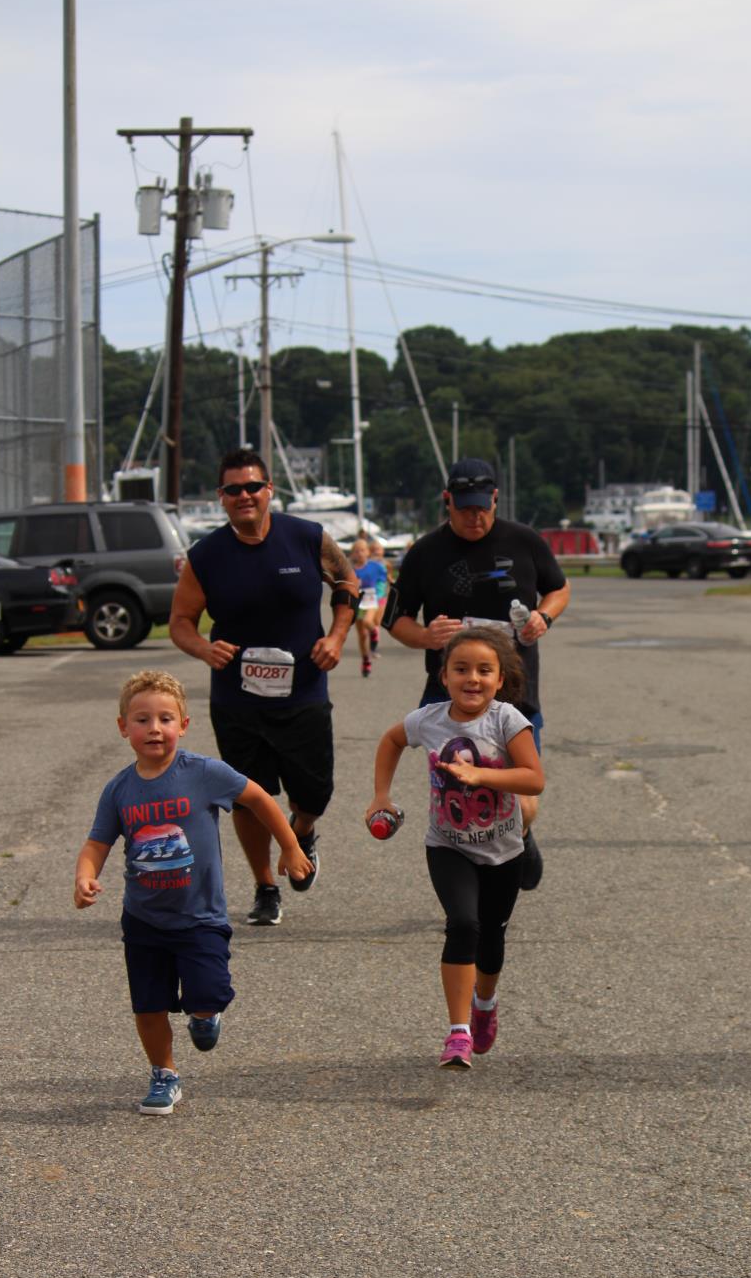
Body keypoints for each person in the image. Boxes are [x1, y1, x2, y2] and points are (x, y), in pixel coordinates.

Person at [73, 670, 310, 1115]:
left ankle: (205, 1014)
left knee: (208, 992)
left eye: (165, 719)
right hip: (143, 919)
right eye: (142, 720)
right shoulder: (119, 790)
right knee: (148, 1006)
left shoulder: (203, 773)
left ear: (183, 725)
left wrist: (291, 845)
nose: (154, 728)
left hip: (200, 917)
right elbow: (97, 843)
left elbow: (258, 798)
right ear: (123, 727)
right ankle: (164, 1074)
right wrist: (85, 876)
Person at [169, 450, 360, 927]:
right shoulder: (206, 556)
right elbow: (180, 622)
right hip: (237, 697)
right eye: (233, 489)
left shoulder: (307, 537)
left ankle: (302, 832)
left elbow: (347, 582)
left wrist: (337, 637)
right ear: (221, 497)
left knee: (314, 793)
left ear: (269, 490)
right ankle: (265, 887)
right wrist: (203, 649)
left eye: (253, 486)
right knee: (246, 796)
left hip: (304, 690)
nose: (244, 496)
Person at [384, 457, 569, 889]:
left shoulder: (524, 541)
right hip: (448, 695)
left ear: (496, 499)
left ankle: (521, 833)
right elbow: (394, 619)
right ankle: (468, 878)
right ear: (446, 501)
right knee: (458, 791)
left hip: (515, 693)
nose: (474, 517)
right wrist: (425, 637)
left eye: (482, 507)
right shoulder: (425, 552)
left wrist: (544, 616)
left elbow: (559, 588)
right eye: (464, 508)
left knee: (522, 802)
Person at [367, 627, 544, 1068]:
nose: (473, 679)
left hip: (503, 849)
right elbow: (391, 741)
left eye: (484, 670)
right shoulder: (428, 719)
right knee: (463, 924)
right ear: (444, 676)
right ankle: (458, 1032)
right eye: (461, 669)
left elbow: (533, 778)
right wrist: (380, 796)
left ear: (499, 679)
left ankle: (485, 1003)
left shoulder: (507, 721)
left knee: (492, 937)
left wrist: (481, 776)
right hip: (448, 845)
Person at [349, 537, 383, 678]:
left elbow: (382, 580)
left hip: (372, 599)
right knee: (362, 635)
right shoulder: (350, 570)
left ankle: (374, 632)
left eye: (362, 550)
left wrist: (380, 593)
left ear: (368, 552)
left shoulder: (375, 566)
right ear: (352, 554)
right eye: (356, 551)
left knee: (368, 621)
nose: (360, 553)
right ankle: (366, 660)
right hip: (358, 602)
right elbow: (345, 586)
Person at [367, 537, 392, 654]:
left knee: (377, 621)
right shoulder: (367, 564)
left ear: (382, 551)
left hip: (381, 596)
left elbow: (389, 578)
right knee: (367, 621)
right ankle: (372, 636)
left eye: (378, 549)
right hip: (369, 597)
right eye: (374, 550)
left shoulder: (386, 564)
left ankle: (374, 646)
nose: (376, 552)